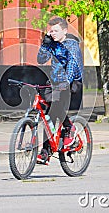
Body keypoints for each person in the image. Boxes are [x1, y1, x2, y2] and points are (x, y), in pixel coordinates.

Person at [36, 17, 83, 165]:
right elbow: (41, 59)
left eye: (56, 31)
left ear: (64, 31)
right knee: (47, 116)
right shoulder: (53, 44)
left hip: (72, 83)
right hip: (55, 82)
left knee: (54, 110)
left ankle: (70, 128)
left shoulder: (72, 45)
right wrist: (45, 45)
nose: (53, 33)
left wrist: (65, 83)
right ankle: (46, 151)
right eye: (50, 31)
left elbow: (71, 66)